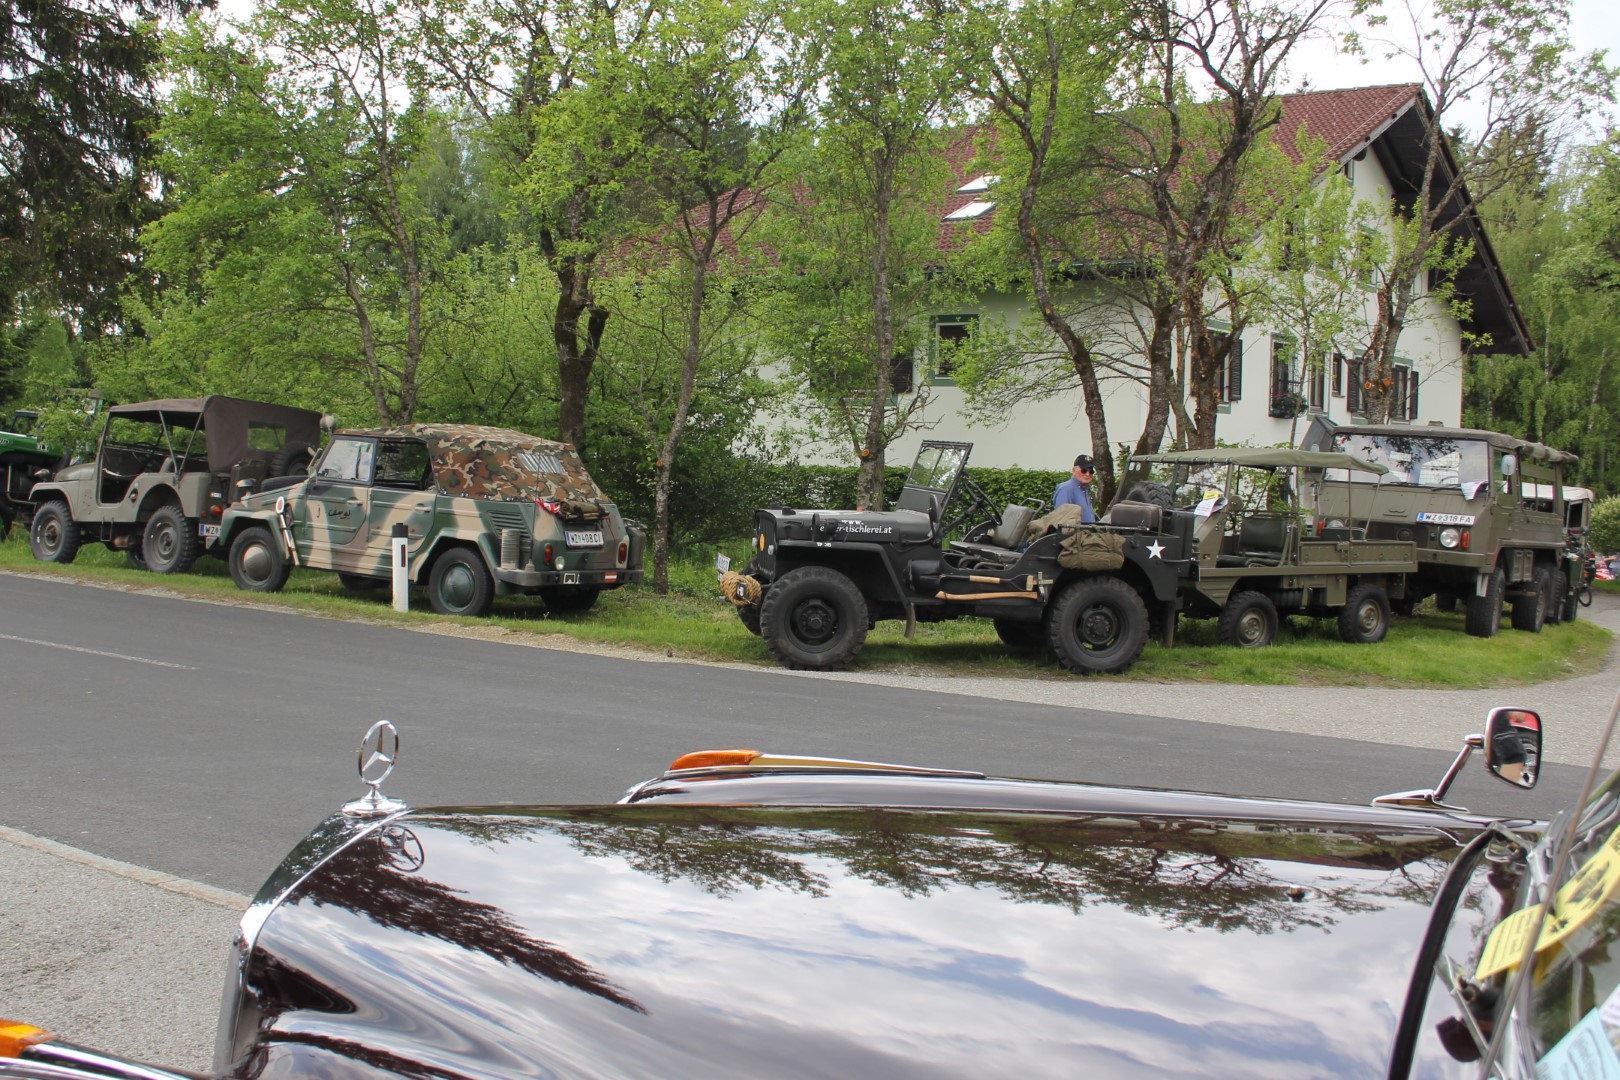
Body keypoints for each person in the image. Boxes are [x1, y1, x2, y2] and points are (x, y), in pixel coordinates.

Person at [1054, 454, 1097, 523]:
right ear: (1074, 470)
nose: (1087, 474)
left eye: (1091, 471)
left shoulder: (1085, 489)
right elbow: (1061, 522)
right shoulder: (1065, 489)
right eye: (1084, 470)